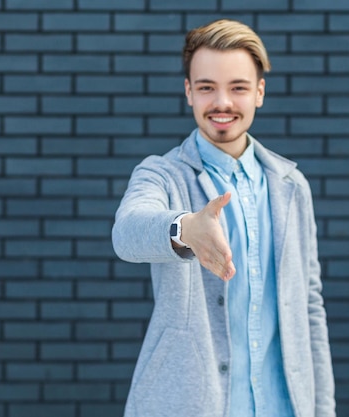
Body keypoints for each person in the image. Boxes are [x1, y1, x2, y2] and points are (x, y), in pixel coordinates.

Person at [112, 19, 336, 417]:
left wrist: (323, 409)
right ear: (188, 93)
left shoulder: (292, 187)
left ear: (260, 93)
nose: (223, 103)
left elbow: (309, 307)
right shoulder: (162, 174)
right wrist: (184, 229)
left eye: (238, 88)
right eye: (206, 88)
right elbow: (127, 233)